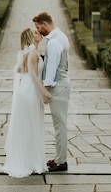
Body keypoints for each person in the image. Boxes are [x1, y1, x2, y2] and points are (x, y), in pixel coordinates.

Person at [2, 28, 52, 178]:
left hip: (24, 92)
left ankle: (26, 160)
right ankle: (31, 162)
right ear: (31, 38)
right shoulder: (33, 55)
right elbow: (35, 78)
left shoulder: (26, 54)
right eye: (36, 33)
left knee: (27, 126)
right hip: (30, 93)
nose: (39, 33)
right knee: (32, 126)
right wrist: (45, 93)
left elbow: (17, 70)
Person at [33, 11, 71, 172]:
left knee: (59, 125)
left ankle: (61, 161)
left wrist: (45, 89)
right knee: (59, 124)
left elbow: (51, 67)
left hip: (58, 86)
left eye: (38, 27)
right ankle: (58, 157)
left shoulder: (54, 42)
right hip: (62, 83)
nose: (38, 31)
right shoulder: (60, 36)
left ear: (44, 24)